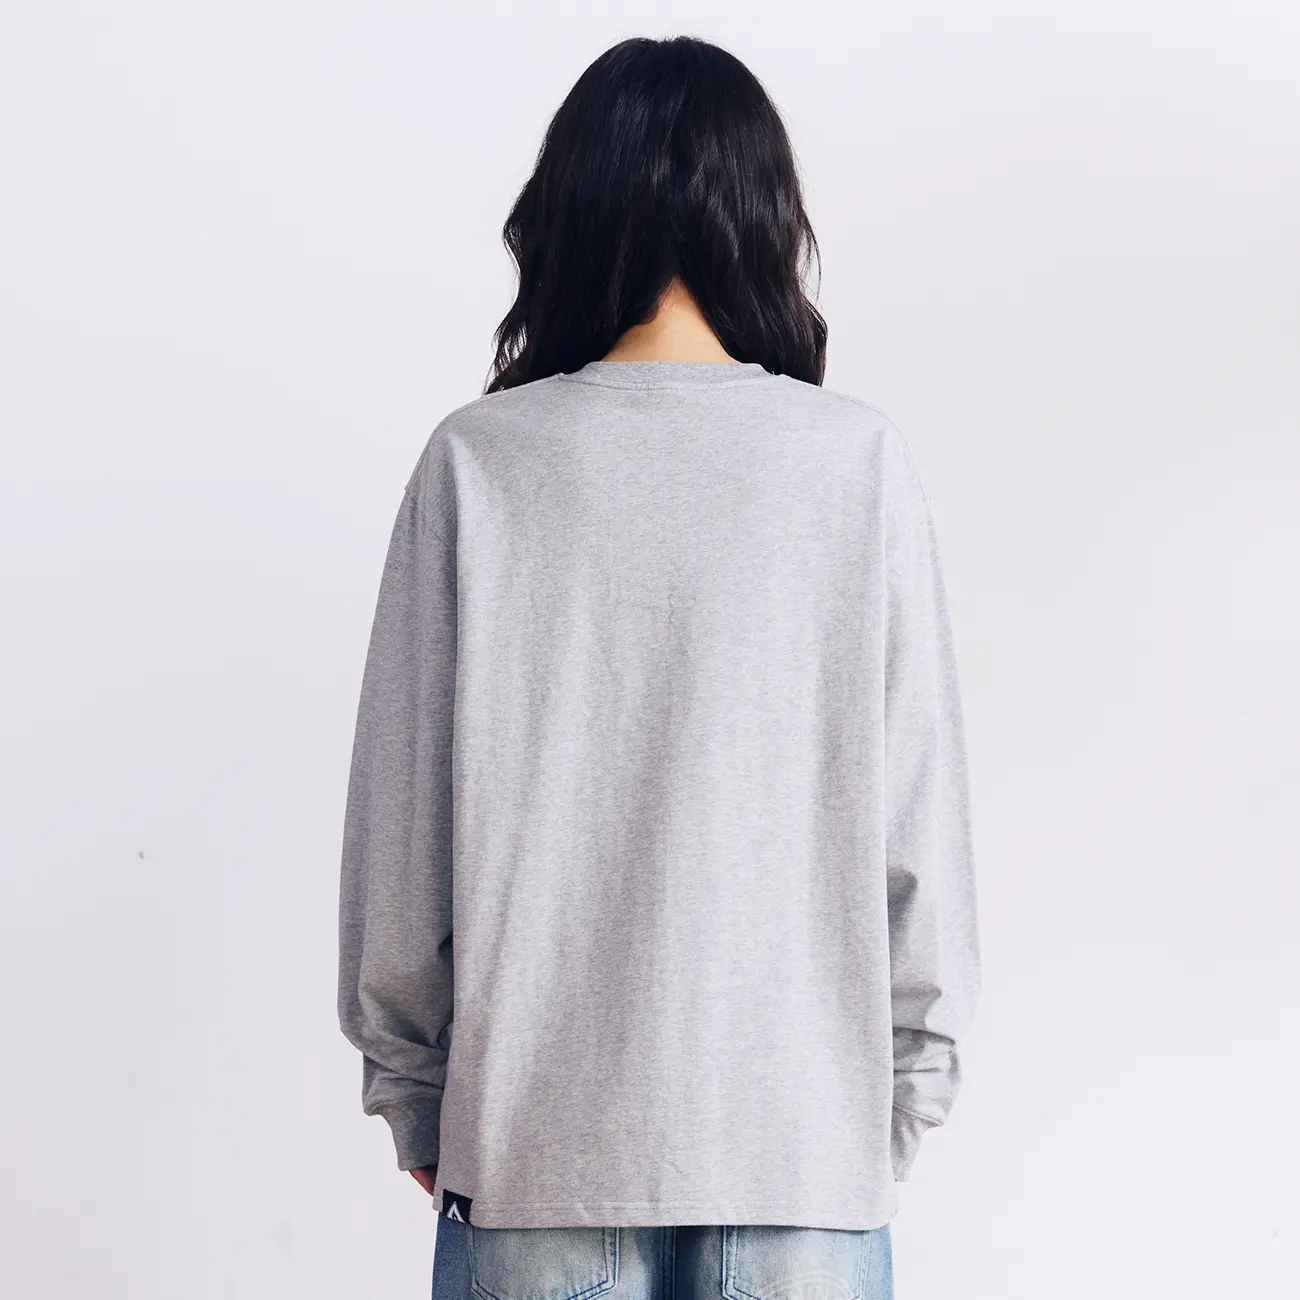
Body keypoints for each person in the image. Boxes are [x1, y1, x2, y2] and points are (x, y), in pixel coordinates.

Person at [336, 34, 980, 1300]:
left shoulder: (479, 463)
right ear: (766, 219)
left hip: (538, 1153)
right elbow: (920, 831)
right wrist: (904, 1089)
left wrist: (415, 1087)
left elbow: (401, 834)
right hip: (801, 1154)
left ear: (563, 214)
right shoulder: (854, 464)